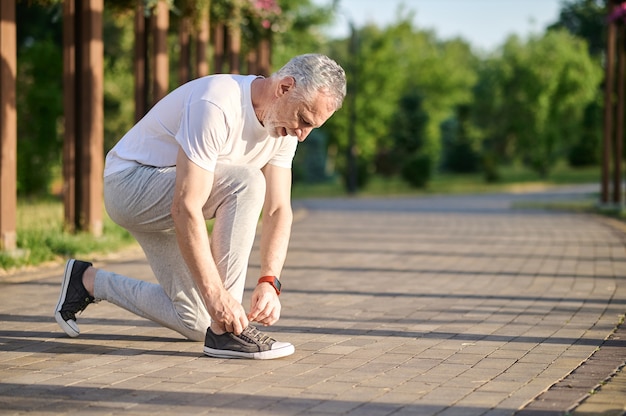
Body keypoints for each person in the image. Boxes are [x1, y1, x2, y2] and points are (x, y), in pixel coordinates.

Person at [54, 53, 346, 360]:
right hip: (129, 185)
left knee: (197, 320)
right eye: (303, 120)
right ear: (284, 88)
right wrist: (218, 296)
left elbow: (277, 210)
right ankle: (229, 334)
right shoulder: (217, 102)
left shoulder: (282, 128)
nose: (302, 135)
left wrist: (270, 281)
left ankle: (86, 281)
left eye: (312, 126)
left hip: (169, 201)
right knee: (245, 182)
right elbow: (185, 206)